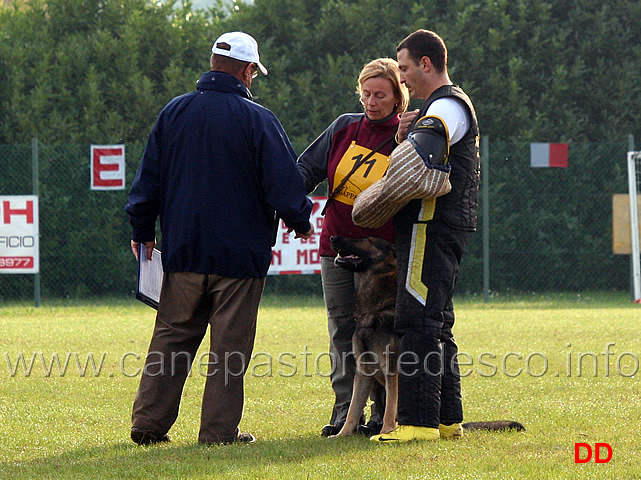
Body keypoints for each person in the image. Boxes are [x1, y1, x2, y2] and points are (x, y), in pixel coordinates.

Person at [124, 31, 313, 446]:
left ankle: (148, 424)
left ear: (212, 64)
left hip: (185, 252)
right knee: (229, 349)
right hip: (240, 259)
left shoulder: (173, 112)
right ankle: (217, 433)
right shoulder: (259, 119)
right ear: (248, 71)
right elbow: (283, 184)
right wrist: (301, 220)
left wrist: (143, 231)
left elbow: (148, 181)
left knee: (172, 337)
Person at [370, 30, 480, 443]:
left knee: (416, 319)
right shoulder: (443, 105)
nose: (402, 79)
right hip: (441, 226)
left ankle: (417, 423)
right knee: (437, 321)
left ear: (427, 64)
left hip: (429, 224)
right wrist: (406, 132)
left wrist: (408, 142)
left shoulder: (447, 105)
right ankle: (448, 419)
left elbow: (427, 152)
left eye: (405, 68)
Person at [297, 58, 409, 437]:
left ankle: (383, 416)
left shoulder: (406, 135)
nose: (371, 102)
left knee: (385, 335)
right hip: (337, 245)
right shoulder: (344, 127)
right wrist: (285, 199)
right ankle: (345, 413)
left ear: (398, 97)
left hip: (384, 254)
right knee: (343, 329)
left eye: (380, 95)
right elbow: (306, 170)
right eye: (365, 94)